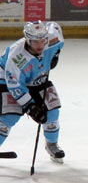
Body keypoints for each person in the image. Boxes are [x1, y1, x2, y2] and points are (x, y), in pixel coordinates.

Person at [0, 20, 65, 162]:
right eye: (36, 42)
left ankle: (52, 145)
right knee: (10, 116)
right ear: (27, 40)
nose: (41, 45)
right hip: (6, 79)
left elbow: (55, 28)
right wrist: (31, 107)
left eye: (43, 41)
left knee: (52, 111)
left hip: (36, 76)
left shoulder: (51, 38)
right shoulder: (17, 58)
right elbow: (15, 86)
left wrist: (55, 54)